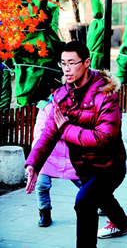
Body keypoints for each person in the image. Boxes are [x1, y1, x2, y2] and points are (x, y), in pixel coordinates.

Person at [25, 41, 127, 247]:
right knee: (101, 197)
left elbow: (104, 137)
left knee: (84, 202)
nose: (66, 69)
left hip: (110, 165)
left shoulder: (106, 95)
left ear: (87, 63)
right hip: (84, 166)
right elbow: (48, 133)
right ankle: (121, 224)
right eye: (63, 63)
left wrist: (67, 129)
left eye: (72, 63)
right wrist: (34, 164)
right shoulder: (62, 95)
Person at [32, 97, 82, 227]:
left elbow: (81, 131)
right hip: (49, 155)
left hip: (71, 154)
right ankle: (44, 212)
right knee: (42, 184)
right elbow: (41, 132)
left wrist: (64, 131)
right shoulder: (46, 108)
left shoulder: (79, 105)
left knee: (85, 184)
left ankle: (103, 203)